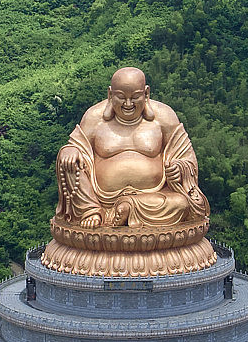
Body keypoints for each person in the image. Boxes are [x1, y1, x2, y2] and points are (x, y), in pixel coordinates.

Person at [55, 67, 209, 229]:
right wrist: (70, 150)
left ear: (146, 93)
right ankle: (91, 211)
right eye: (121, 97)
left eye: (135, 97)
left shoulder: (164, 117)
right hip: (101, 198)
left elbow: (186, 157)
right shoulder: (94, 117)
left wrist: (179, 169)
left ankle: (129, 207)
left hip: (153, 197)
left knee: (181, 204)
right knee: (67, 163)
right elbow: (77, 146)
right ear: (110, 94)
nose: (128, 104)